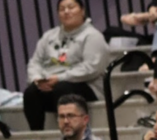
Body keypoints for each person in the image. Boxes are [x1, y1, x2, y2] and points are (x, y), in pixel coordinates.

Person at [23, 0, 109, 131]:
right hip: (53, 84)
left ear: (82, 10)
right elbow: (35, 62)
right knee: (31, 93)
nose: (66, 12)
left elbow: (91, 68)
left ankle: (70, 133)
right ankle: (37, 135)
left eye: (71, 7)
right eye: (62, 9)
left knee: (62, 88)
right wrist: (37, 79)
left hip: (85, 85)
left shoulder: (92, 36)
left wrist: (59, 78)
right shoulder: (49, 36)